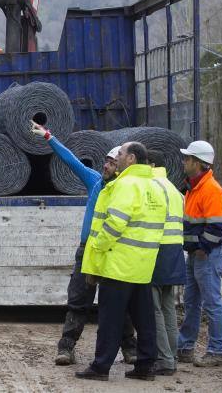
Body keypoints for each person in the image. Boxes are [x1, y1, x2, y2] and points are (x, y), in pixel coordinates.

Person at [30, 121, 137, 366]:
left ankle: (130, 349)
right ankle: (66, 348)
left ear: (121, 167)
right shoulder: (95, 182)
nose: (106, 166)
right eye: (106, 162)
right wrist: (49, 136)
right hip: (88, 249)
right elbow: (70, 160)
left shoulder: (126, 190)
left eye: (111, 163)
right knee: (78, 301)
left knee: (118, 304)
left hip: (113, 251)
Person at [77, 142, 167, 381]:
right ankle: (146, 365)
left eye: (120, 153)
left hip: (118, 264)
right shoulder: (155, 186)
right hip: (143, 265)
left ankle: (100, 367)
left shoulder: (126, 185)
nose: (116, 157)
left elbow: (116, 222)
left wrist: (97, 247)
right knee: (144, 318)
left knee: (110, 319)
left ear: (131, 159)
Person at [176, 140, 222, 367]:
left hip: (207, 255)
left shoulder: (211, 190)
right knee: (192, 302)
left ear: (198, 163)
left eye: (187, 159)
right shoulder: (193, 187)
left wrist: (201, 250)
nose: (183, 162)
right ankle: (185, 347)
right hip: (197, 254)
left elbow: (217, 228)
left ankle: (217, 352)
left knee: (212, 303)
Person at [147, 149, 186, 375]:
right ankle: (172, 355)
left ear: (151, 165)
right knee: (168, 307)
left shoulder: (151, 187)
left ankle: (164, 360)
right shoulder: (173, 188)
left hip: (157, 252)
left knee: (155, 310)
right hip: (174, 252)